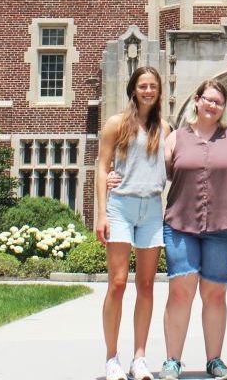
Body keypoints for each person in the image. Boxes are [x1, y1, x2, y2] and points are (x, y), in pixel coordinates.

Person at [158, 79, 227, 380]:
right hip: (180, 224)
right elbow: (153, 172)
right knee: (180, 292)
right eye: (208, 99)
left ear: (224, 107)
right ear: (196, 100)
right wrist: (113, 178)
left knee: (215, 294)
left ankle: (215, 360)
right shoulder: (175, 139)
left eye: (218, 102)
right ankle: (172, 360)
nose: (212, 105)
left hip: (223, 226)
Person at [96, 66, 170, 380]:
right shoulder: (116, 124)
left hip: (151, 208)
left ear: (159, 91)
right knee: (117, 283)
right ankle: (112, 358)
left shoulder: (163, 128)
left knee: (147, 285)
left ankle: (139, 358)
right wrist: (100, 213)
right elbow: (102, 166)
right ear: (133, 89)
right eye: (143, 85)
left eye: (153, 86)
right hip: (121, 206)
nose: (148, 91)